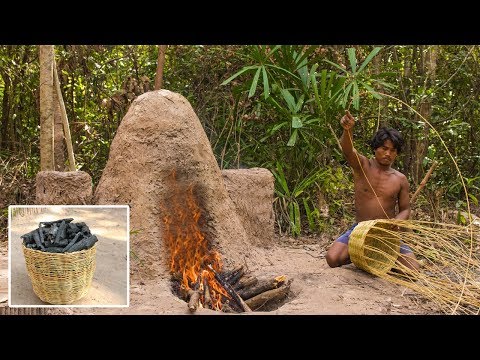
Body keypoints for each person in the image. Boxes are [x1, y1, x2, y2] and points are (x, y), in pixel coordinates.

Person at [325, 110, 420, 271]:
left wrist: (396, 222)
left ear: (397, 153)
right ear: (375, 148)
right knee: (332, 259)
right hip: (360, 230)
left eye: (393, 150)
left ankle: (381, 261)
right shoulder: (362, 166)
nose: (388, 153)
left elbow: (405, 209)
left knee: (413, 270)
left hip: (386, 235)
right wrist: (347, 130)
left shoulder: (400, 179)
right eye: (384, 148)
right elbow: (348, 151)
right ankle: (359, 255)